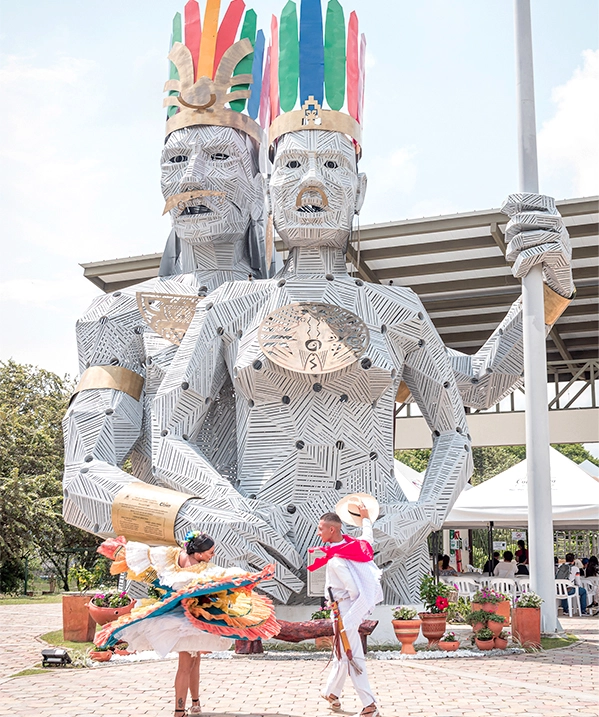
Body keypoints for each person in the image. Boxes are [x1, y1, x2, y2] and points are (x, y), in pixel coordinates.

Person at [95, 531, 280, 716]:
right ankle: (179, 711)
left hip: (191, 615)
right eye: (210, 552)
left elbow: (149, 554)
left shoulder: (174, 555)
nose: (212, 555)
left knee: (195, 661)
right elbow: (224, 575)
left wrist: (121, 551)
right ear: (198, 553)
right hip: (182, 620)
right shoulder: (197, 566)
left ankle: (196, 703)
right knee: (186, 665)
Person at [310, 499, 383, 717]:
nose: (318, 532)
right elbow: (368, 537)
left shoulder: (336, 559)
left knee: (352, 655)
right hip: (344, 609)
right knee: (342, 653)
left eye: (320, 528)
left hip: (344, 611)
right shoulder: (354, 545)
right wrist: (365, 519)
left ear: (332, 530)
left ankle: (369, 704)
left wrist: (347, 613)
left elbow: (353, 589)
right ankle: (332, 692)